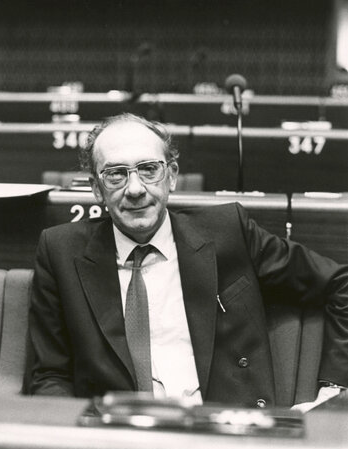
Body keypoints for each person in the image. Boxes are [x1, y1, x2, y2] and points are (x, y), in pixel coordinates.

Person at [29, 113, 348, 409]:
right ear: (97, 189)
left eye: (149, 169)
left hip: (225, 432)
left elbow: (340, 283)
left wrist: (334, 391)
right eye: (116, 175)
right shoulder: (60, 251)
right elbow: (49, 376)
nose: (136, 189)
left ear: (171, 177)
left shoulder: (228, 231)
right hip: (117, 438)